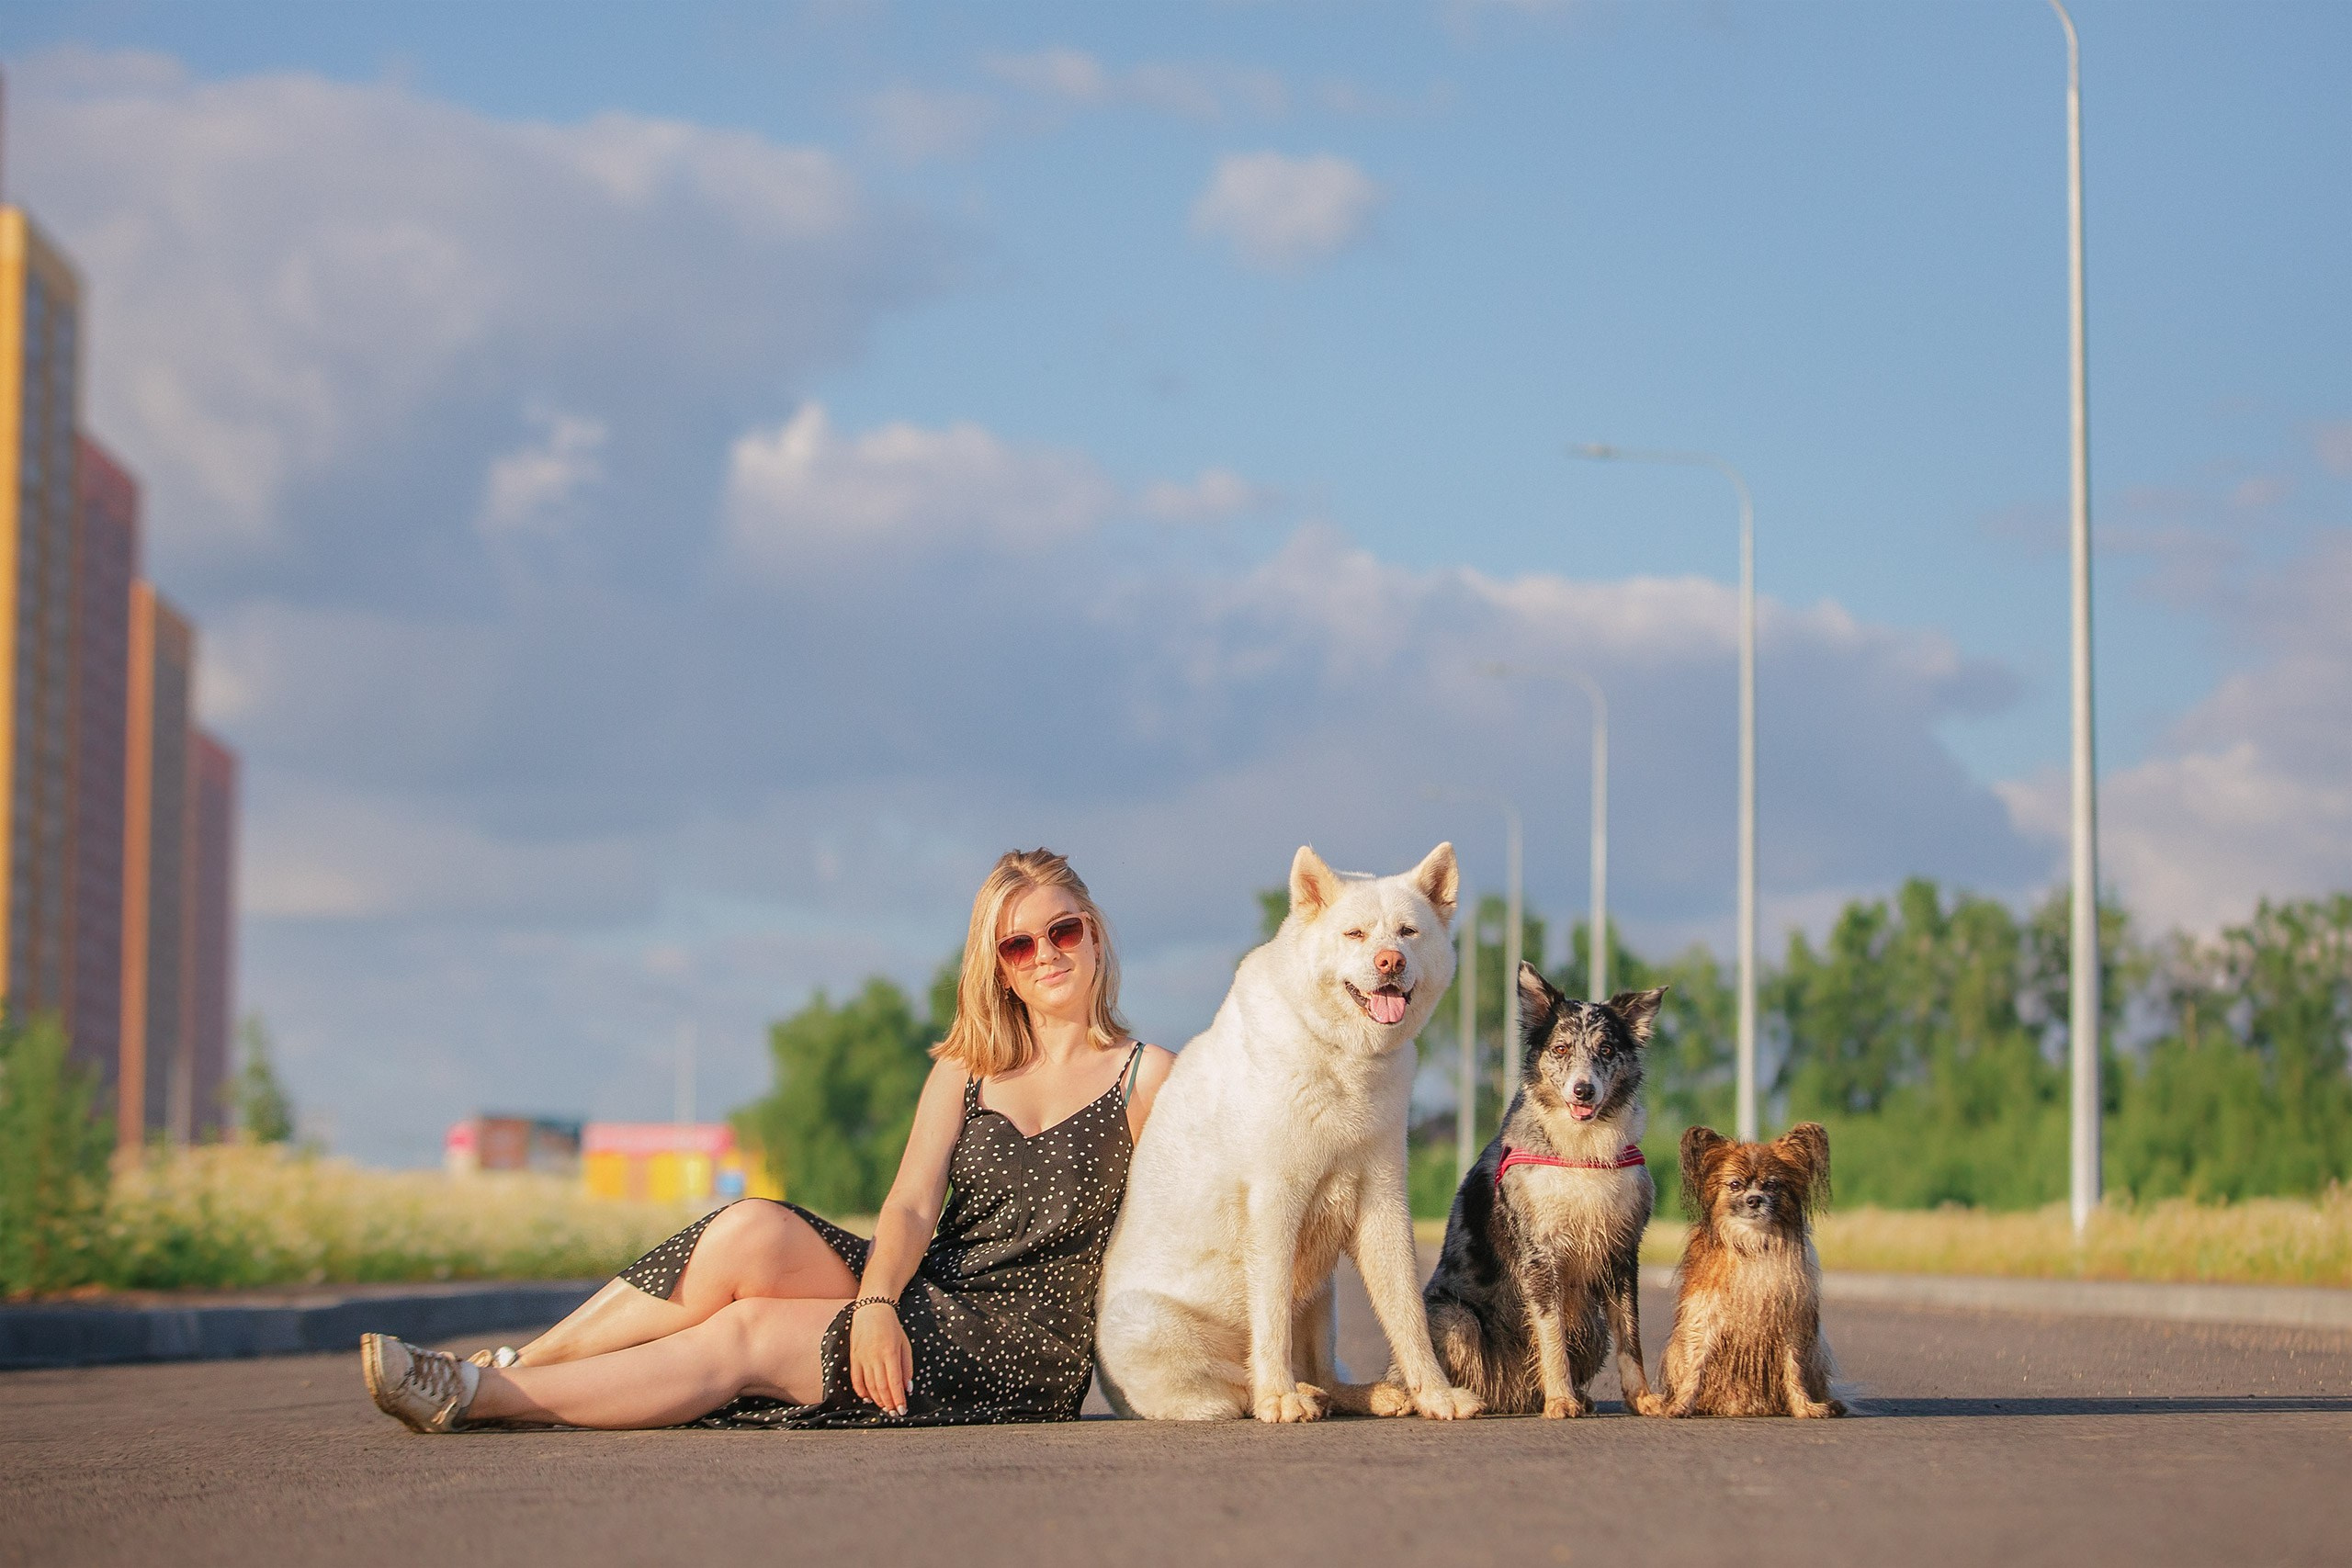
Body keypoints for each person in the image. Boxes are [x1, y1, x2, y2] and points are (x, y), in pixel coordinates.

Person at [360, 849, 1174, 1431]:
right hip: (935, 1288)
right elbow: (912, 1204)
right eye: (1019, 944)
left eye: (1062, 931)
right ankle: (527, 1362)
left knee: (748, 1333)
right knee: (750, 1229)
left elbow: (1201, 1226)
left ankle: (475, 1394)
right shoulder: (969, 1067)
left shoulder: (1148, 1077)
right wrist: (877, 1302)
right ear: (999, 967)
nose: (1046, 956)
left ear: (1094, 931)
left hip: (1024, 1344)